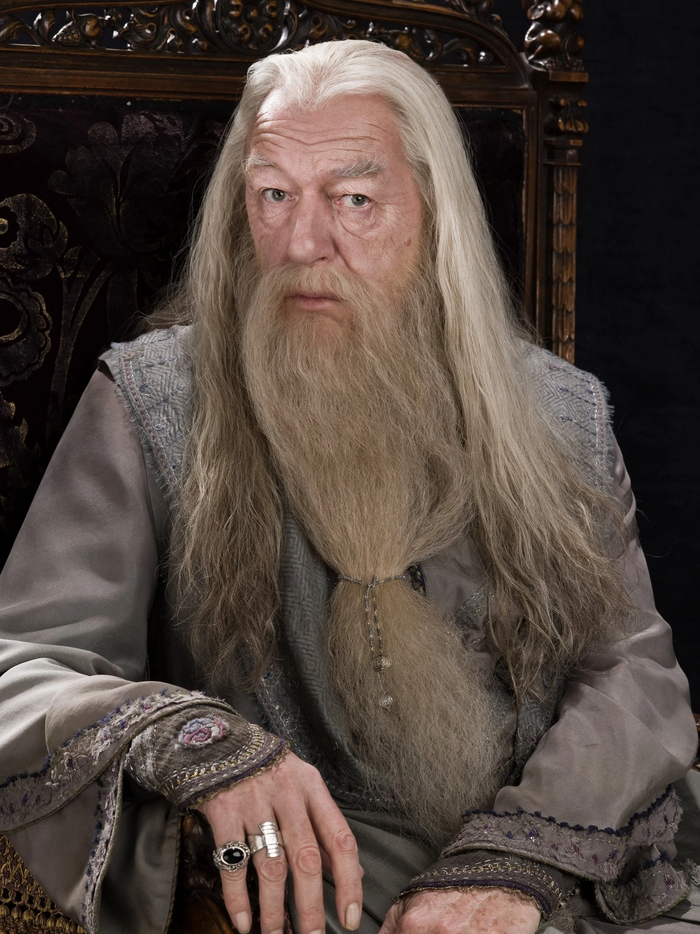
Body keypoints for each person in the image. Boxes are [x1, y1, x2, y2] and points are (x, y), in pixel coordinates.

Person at [0, 39, 698, 934]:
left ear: (434, 212)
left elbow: (633, 675)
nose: (302, 243)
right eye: (274, 195)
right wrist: (203, 747)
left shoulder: (561, 414)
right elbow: (22, 665)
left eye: (354, 200)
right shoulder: (150, 402)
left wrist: (518, 863)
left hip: (556, 854)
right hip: (297, 870)